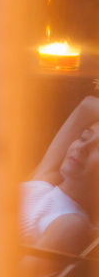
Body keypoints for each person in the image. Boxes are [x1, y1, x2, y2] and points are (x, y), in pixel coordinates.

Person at [21, 95, 99, 254]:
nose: (82, 147)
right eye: (83, 137)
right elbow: (88, 106)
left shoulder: (72, 223)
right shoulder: (45, 183)